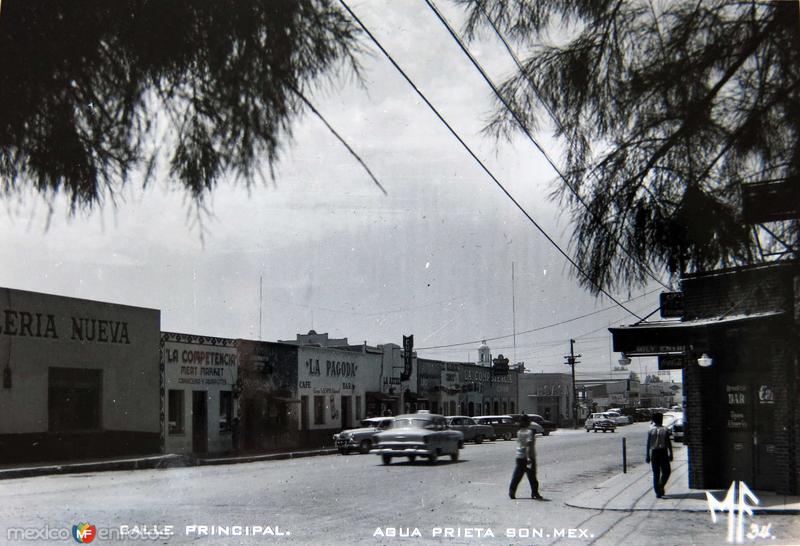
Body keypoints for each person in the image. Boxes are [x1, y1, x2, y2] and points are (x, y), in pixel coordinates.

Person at [508, 415, 543, 500]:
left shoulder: (519, 432)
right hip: (528, 457)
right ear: (528, 422)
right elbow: (528, 445)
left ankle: (512, 491)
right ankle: (535, 493)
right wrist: (528, 458)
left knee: (517, 476)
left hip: (519, 457)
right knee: (532, 477)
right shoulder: (530, 432)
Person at [646, 412, 673, 498]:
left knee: (658, 473)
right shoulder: (664, 430)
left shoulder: (651, 429)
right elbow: (668, 443)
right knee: (665, 471)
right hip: (662, 452)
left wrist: (647, 455)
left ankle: (658, 489)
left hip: (655, 452)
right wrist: (671, 453)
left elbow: (648, 444)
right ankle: (660, 488)